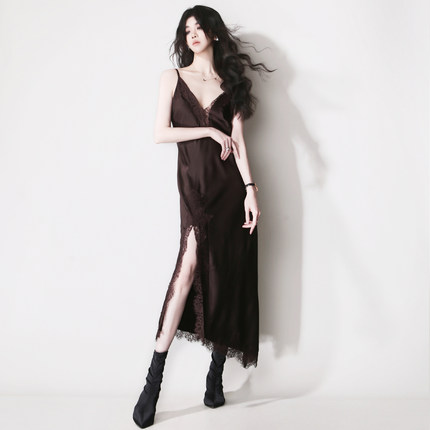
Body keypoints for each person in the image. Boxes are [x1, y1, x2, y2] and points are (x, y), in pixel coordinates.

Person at [133, 5, 275, 428]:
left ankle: (215, 378)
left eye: (199, 27)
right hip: (196, 191)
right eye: (187, 29)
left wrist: (250, 191)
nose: (192, 34)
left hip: (231, 192)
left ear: (213, 33)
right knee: (188, 269)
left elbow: (239, 142)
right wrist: (209, 130)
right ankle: (152, 383)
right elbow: (160, 133)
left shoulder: (232, 84)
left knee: (226, 275)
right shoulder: (172, 78)